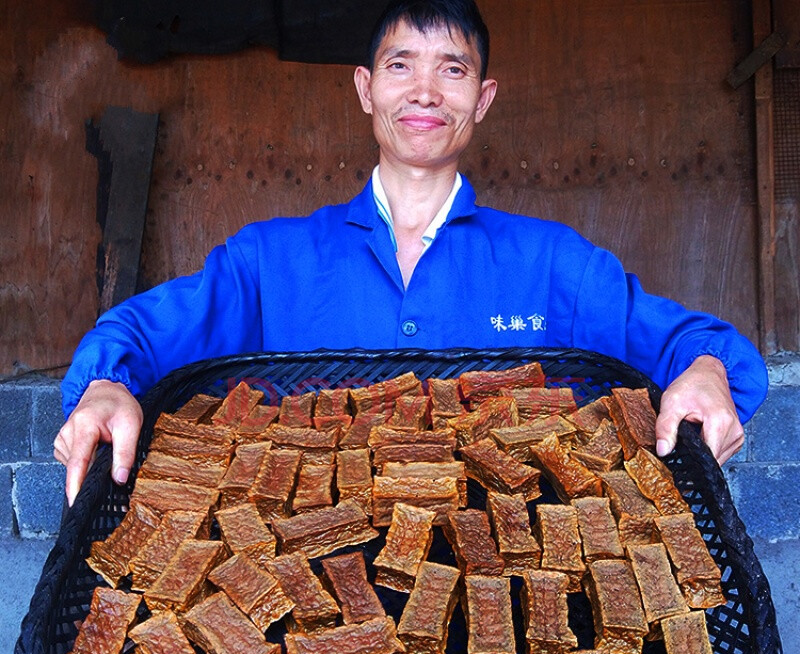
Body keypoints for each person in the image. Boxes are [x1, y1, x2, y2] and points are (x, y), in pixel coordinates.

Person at [55, 0, 768, 508]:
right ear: (366, 88)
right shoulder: (269, 262)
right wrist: (106, 384)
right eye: (401, 65)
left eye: (452, 70)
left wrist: (706, 373)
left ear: (482, 98)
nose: (425, 91)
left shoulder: (553, 264)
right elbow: (135, 335)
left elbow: (699, 344)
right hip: (303, 641)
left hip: (506, 622)